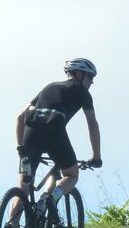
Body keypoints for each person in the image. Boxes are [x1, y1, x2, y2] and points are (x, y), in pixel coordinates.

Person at [15, 58, 102, 213]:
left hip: (30, 135)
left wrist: (21, 148)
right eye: (90, 77)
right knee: (71, 174)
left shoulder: (49, 87)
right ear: (79, 74)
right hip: (54, 133)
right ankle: (49, 199)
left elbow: (20, 117)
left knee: (23, 189)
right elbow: (93, 125)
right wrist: (96, 156)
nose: (92, 82)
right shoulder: (82, 92)